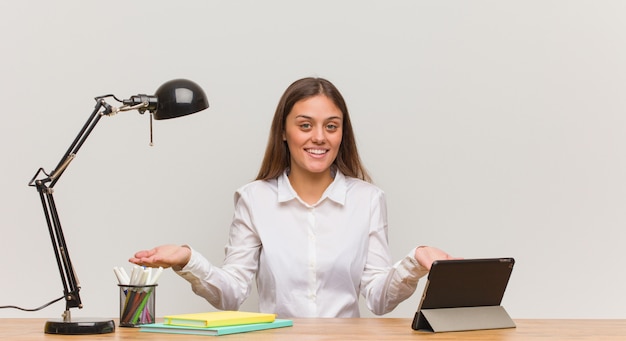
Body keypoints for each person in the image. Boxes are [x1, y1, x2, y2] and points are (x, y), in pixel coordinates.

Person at [129, 77, 456, 318]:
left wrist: (416, 259)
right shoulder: (254, 199)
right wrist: (187, 259)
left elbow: (379, 298)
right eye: (305, 125)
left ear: (342, 133)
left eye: (331, 126)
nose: (319, 137)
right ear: (284, 132)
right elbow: (230, 294)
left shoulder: (367, 199)